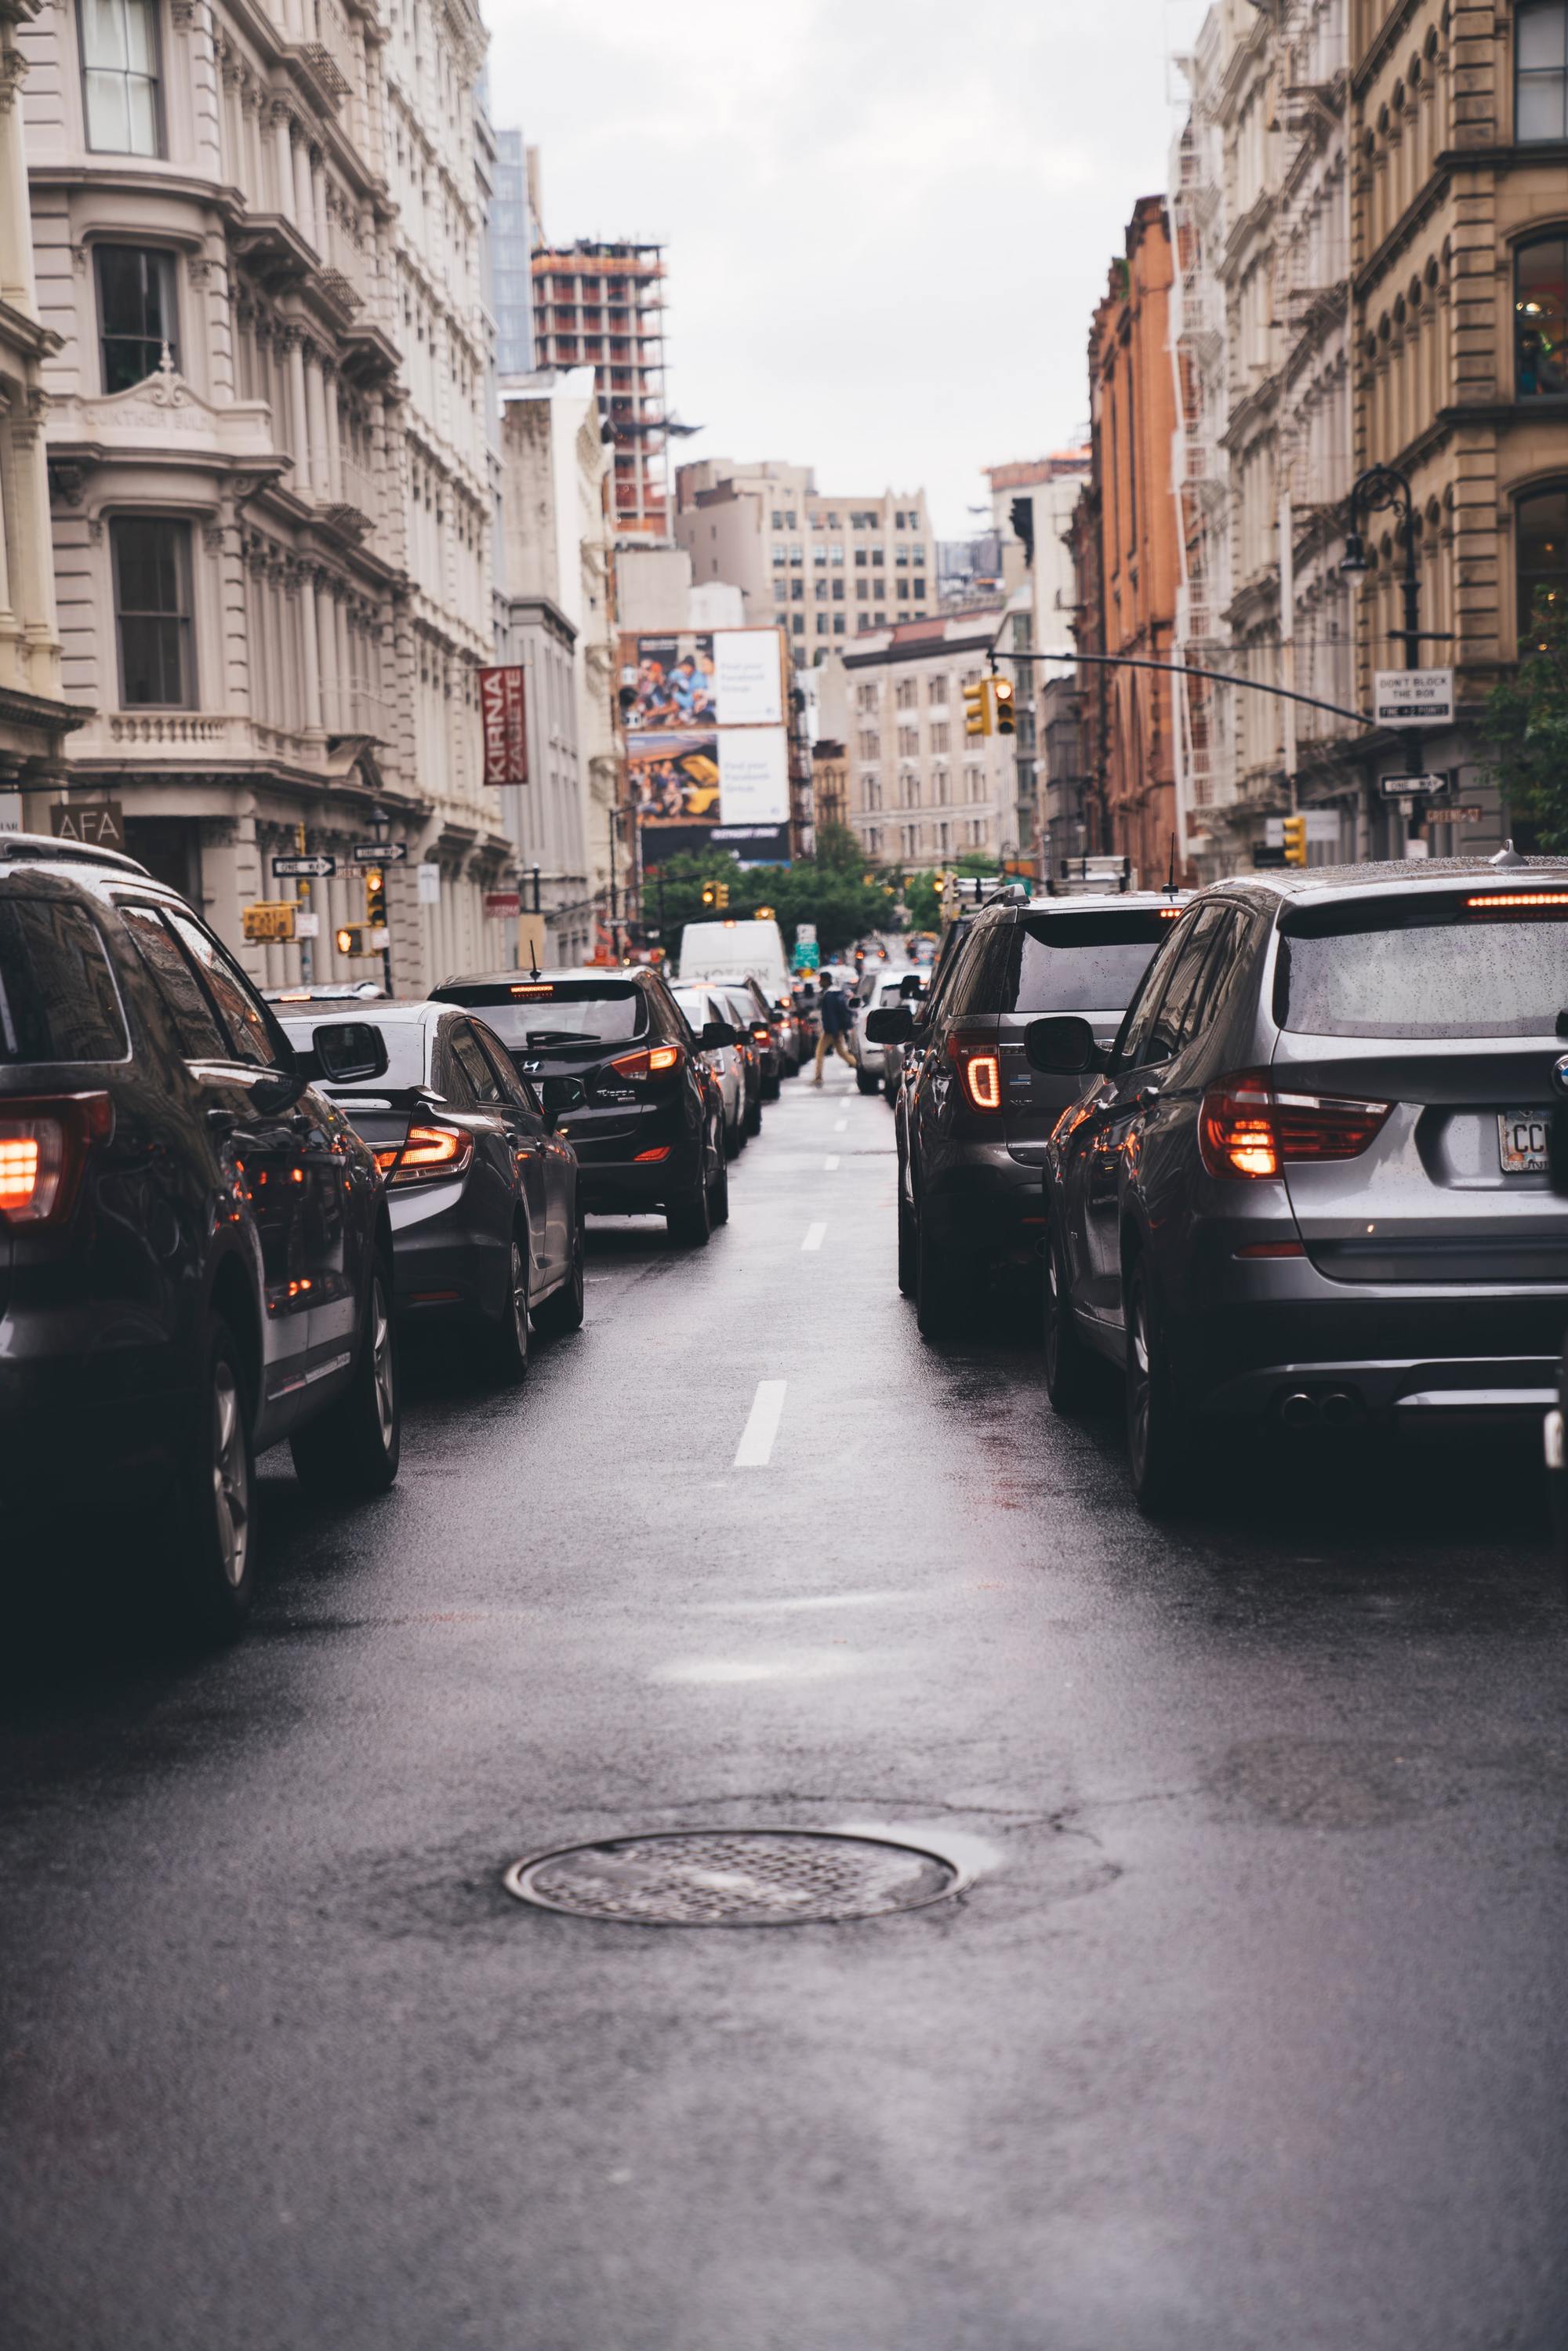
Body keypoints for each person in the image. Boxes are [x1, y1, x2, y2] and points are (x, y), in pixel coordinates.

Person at [812, 973, 855, 1082]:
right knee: (842, 1053)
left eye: (821, 980)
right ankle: (858, 1065)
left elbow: (832, 1015)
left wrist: (835, 1031)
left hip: (831, 1030)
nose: (819, 983)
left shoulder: (830, 995)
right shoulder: (835, 993)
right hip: (835, 1029)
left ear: (826, 980)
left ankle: (818, 1077)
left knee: (819, 1052)